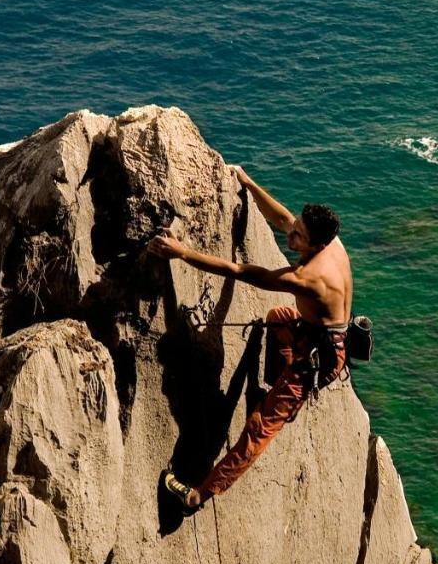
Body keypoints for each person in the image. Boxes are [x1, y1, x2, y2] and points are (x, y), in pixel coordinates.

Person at [148, 164, 352, 509]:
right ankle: (276, 384)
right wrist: (249, 183)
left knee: (258, 430)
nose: (292, 236)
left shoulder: (307, 279)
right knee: (277, 318)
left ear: (316, 244)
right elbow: (285, 219)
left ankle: (198, 494)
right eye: (297, 228)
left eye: (299, 237)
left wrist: (182, 253)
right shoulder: (331, 243)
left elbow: (239, 272)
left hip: (316, 361)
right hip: (315, 332)